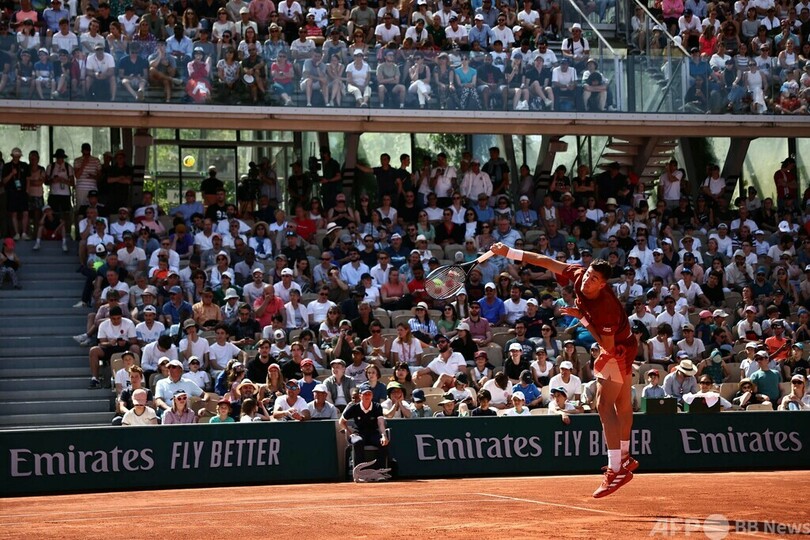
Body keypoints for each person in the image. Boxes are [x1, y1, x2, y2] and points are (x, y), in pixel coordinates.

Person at [490, 242, 637, 498]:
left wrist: (582, 318)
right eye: (589, 274)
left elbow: (606, 345)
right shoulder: (579, 274)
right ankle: (624, 458)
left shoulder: (606, 308)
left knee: (605, 406)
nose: (588, 280)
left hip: (617, 348)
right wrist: (509, 252)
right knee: (622, 402)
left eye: (594, 279)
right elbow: (544, 260)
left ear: (603, 285)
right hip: (625, 342)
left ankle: (616, 470)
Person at [340, 382, 390, 474]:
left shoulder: (377, 407)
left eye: (369, 393)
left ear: (372, 395)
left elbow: (380, 423)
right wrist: (349, 432)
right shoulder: (354, 407)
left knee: (383, 443)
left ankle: (380, 472)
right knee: (358, 442)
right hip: (358, 434)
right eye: (365, 394)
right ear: (360, 396)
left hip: (372, 433)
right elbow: (342, 422)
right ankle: (360, 472)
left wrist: (383, 435)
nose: (367, 396)